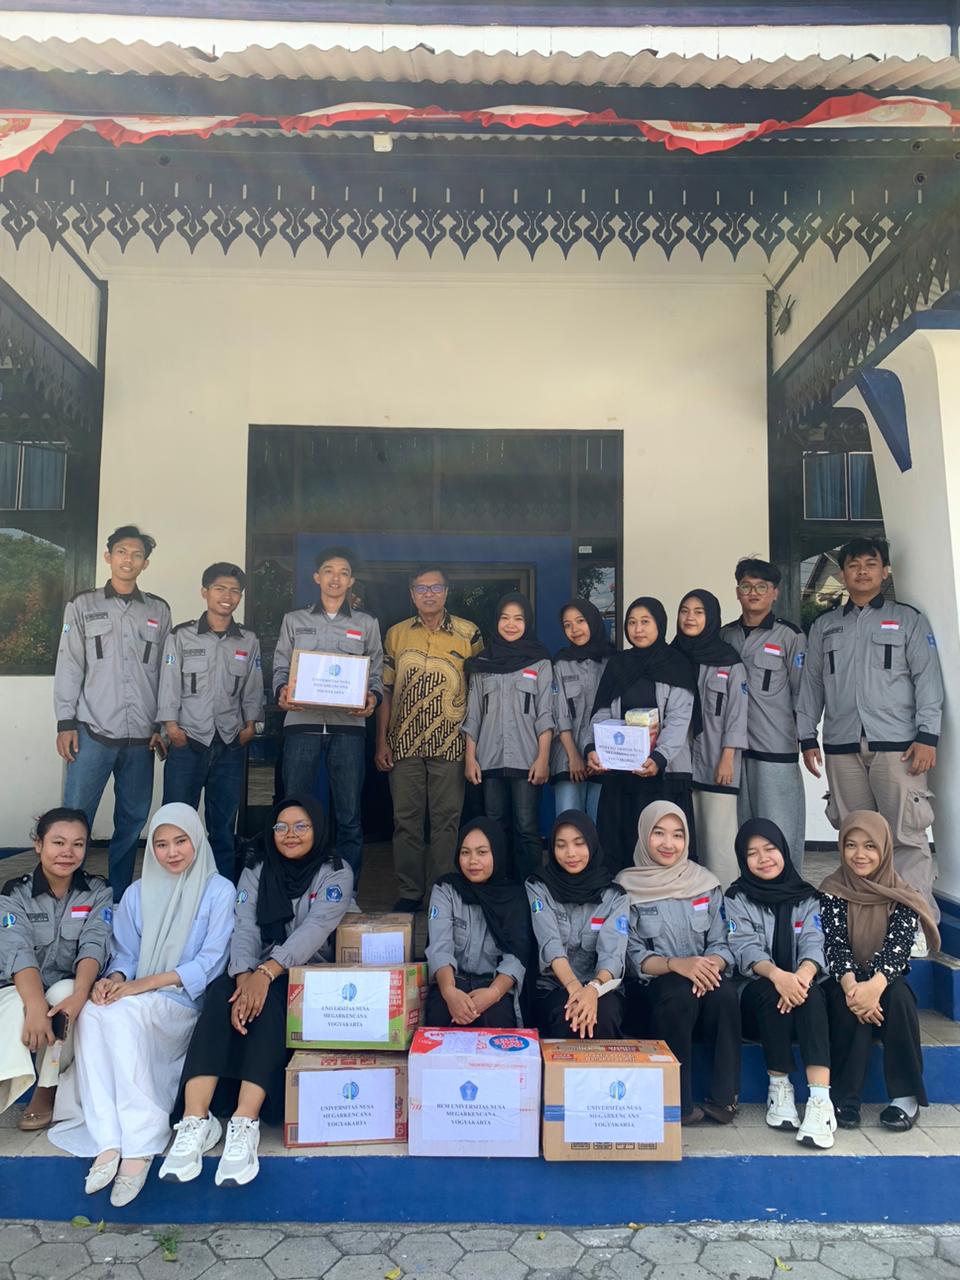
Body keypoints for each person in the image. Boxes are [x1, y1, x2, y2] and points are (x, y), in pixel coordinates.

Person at [159, 794, 352, 1189]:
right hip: (254, 967)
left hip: (306, 971)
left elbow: (315, 929)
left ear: (318, 829)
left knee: (274, 1002)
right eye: (281, 827)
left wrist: (266, 973)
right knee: (220, 996)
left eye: (301, 826)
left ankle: (245, 1123)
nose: (290, 834)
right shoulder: (257, 867)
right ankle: (196, 1120)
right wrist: (244, 974)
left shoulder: (335, 871)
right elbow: (244, 924)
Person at [48, 804, 234, 1207]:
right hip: (138, 996)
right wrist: (114, 980)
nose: (171, 852)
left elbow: (210, 963)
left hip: (183, 1002)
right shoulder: (137, 892)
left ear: (197, 840)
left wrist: (141, 986)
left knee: (124, 1016)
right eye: (161, 844)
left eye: (181, 841)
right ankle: (108, 1139)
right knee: (94, 1012)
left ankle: (141, 1143)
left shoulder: (219, 891)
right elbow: (126, 955)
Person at [798, 537, 944, 935]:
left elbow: (927, 680)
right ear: (843, 573)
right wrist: (806, 737)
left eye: (870, 563)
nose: (862, 571)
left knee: (906, 836)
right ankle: (864, 924)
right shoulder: (825, 627)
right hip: (842, 746)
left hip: (899, 747)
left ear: (884, 571)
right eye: (853, 565)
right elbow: (811, 685)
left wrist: (928, 735)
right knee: (856, 838)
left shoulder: (908, 620)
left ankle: (913, 927)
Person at [54, 525, 171, 898]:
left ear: (145, 563)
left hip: (141, 737)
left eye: (137, 555)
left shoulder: (158, 610)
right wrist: (65, 722)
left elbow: (166, 673)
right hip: (92, 730)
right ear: (108, 557)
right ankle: (71, 893)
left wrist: (162, 723)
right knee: (75, 817)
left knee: (132, 820)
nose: (128, 560)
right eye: (122, 552)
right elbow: (69, 664)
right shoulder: (83, 605)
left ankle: (119, 894)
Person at [819, 810, 940, 1133]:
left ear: (884, 849)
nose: (860, 855)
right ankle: (845, 1098)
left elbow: (897, 950)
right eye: (851, 845)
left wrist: (873, 988)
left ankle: (906, 1096)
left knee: (899, 996)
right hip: (843, 979)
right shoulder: (832, 890)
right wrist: (854, 988)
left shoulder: (904, 895)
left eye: (870, 846)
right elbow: (834, 945)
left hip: (885, 980)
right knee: (844, 1002)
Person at [620, 802, 740, 1125]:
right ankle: (677, 1103)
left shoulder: (705, 882)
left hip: (702, 978)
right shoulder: (626, 887)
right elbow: (632, 956)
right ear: (644, 835)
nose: (668, 844)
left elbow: (723, 942)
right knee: (677, 993)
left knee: (725, 993)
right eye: (658, 833)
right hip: (654, 989)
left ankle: (725, 1099)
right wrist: (678, 965)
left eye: (677, 835)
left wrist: (706, 967)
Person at [374, 566, 483, 912]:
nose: (429, 594)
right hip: (403, 743)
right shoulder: (396, 634)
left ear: (446, 591)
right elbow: (385, 690)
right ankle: (410, 891)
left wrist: (473, 748)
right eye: (421, 588)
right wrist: (381, 741)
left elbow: (480, 692)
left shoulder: (469, 633)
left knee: (446, 821)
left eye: (436, 587)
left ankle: (442, 891)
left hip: (451, 743)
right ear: (412, 594)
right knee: (406, 821)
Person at [272, 546, 384, 884]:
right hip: (301, 725)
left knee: (349, 815)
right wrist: (282, 690)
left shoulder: (366, 623)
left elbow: (376, 674)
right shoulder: (294, 620)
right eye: (329, 571)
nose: (336, 578)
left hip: (349, 728)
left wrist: (372, 697)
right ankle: (293, 883)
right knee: (294, 811)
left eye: (343, 573)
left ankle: (345, 889)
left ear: (351, 581)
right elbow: (280, 665)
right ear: (317, 577)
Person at [725, 818, 836, 1148]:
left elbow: (816, 941)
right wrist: (778, 976)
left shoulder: (808, 897)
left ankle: (820, 1101)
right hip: (756, 1001)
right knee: (768, 990)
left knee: (811, 994)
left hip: (801, 994)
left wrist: (800, 978)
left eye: (770, 849)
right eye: (752, 853)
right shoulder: (737, 897)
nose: (763, 858)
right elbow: (744, 948)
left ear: (784, 851)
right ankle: (779, 1087)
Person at [0, 808, 112, 1131]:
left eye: (78, 844)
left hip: (67, 987)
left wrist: (80, 994)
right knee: (15, 1004)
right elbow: (17, 951)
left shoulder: (98, 892)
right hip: (20, 986)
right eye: (58, 842)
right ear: (39, 845)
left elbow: (94, 944)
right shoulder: (15, 893)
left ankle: (46, 1089)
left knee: (66, 992)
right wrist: (36, 1005)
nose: (68, 852)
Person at [159, 562, 265, 879]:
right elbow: (169, 683)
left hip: (230, 742)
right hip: (187, 741)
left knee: (223, 826)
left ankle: (223, 891)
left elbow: (253, 686)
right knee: (177, 822)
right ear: (205, 592)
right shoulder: (182, 636)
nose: (227, 596)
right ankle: (175, 887)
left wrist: (251, 725)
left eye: (234, 591)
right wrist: (171, 727)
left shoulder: (247, 640)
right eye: (220, 589)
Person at [586, 598, 697, 872]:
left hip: (664, 774)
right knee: (620, 845)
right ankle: (621, 892)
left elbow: (679, 718)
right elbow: (602, 711)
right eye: (632, 622)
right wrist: (594, 748)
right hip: (622, 774)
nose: (638, 629)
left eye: (645, 622)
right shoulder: (618, 664)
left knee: (662, 844)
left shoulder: (676, 664)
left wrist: (659, 758)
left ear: (659, 624)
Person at [719, 557, 807, 874]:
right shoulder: (725, 636)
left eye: (761, 587)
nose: (753, 593)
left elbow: (802, 693)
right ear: (737, 592)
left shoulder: (790, 637)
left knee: (779, 829)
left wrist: (808, 740)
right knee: (739, 831)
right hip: (732, 752)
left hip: (775, 748)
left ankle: (789, 891)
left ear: (774, 593)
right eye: (746, 586)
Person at [462, 593, 554, 880]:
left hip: (527, 760)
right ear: (496, 621)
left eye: (518, 618)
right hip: (488, 760)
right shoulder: (482, 663)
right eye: (504, 618)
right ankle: (498, 886)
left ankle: (530, 888)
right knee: (494, 827)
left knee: (526, 828)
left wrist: (543, 759)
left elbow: (545, 714)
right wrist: (470, 759)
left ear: (528, 623)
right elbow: (473, 715)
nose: (511, 624)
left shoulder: (540, 662)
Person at [526, 810, 628, 1039]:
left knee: (605, 1014)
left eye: (579, 844)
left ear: (592, 844)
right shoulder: (539, 886)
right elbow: (550, 943)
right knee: (567, 1014)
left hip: (602, 986)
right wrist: (575, 988)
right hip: (554, 987)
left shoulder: (615, 895)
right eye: (561, 845)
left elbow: (612, 953)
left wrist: (593, 989)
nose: (570, 853)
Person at [671, 590, 749, 885]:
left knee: (718, 842)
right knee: (679, 841)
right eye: (685, 610)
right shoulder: (669, 657)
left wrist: (727, 757)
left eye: (699, 611)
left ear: (712, 617)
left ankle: (724, 901)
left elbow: (737, 714)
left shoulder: (729, 661)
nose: (690, 617)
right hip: (676, 765)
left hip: (717, 762)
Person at [424, 818, 530, 1027]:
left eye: (482, 852)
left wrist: (493, 993)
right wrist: (449, 992)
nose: (473, 861)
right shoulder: (446, 890)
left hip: (493, 984)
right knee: (440, 1014)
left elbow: (517, 956)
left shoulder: (514, 898)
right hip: (453, 981)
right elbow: (440, 947)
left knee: (496, 1018)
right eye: (465, 852)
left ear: (497, 853)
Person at [550, 600, 615, 824]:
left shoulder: (613, 661)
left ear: (593, 622)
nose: (574, 629)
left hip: (605, 759)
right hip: (568, 759)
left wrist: (598, 752)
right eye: (567, 625)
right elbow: (559, 713)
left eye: (580, 621)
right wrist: (574, 756)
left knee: (600, 826)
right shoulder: (560, 663)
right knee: (570, 825)